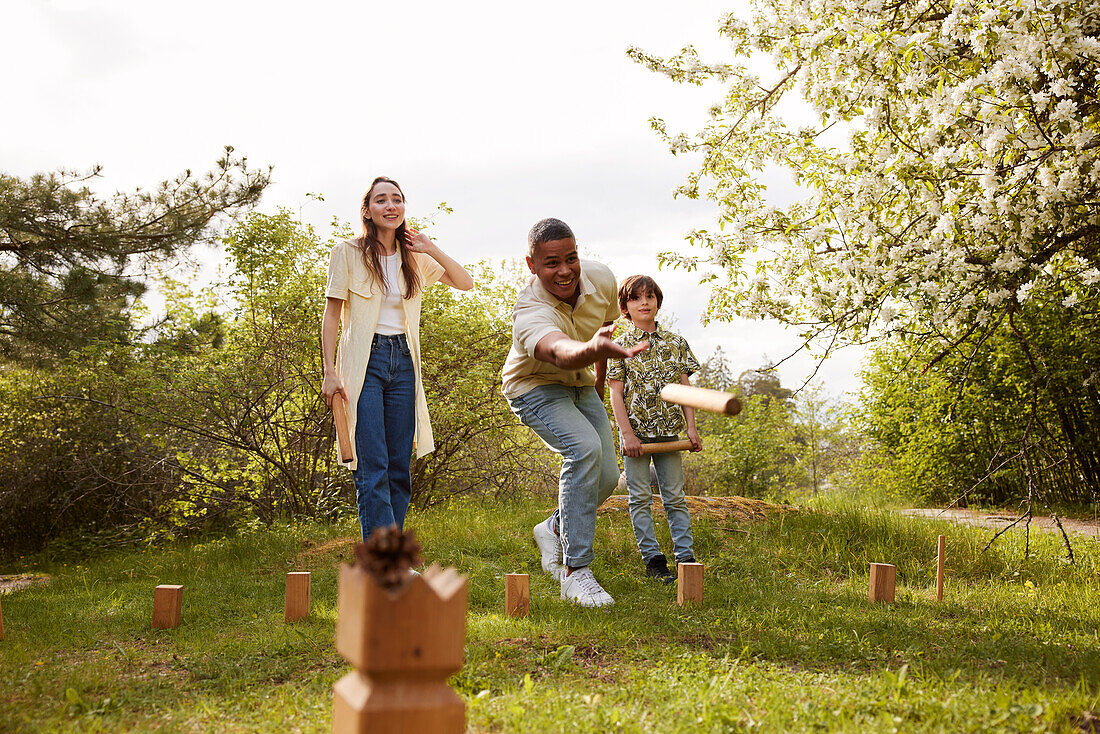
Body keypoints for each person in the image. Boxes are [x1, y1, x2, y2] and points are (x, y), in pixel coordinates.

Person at [502, 218, 647, 607]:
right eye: (551, 263)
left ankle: (552, 527)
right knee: (583, 450)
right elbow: (559, 351)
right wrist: (592, 352)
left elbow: (603, 331)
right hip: (533, 386)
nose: (564, 270)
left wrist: (597, 390)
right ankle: (575, 572)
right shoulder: (529, 310)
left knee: (606, 476)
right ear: (532, 265)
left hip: (581, 386)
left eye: (571, 258)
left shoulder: (600, 278)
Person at [321, 176, 474, 541]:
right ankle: (385, 562)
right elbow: (331, 314)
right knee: (371, 464)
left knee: (397, 468)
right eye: (381, 200)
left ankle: (391, 558)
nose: (390, 206)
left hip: (404, 362)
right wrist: (330, 371)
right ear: (367, 211)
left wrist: (430, 246)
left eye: (397, 199)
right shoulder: (348, 252)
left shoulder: (415, 258)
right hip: (365, 362)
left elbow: (465, 282)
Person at [607, 274, 701, 584]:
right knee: (640, 498)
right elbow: (616, 394)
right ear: (626, 306)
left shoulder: (676, 343)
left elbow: (685, 389)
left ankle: (685, 557)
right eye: (636, 298)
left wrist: (692, 429)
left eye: (650, 296)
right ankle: (654, 560)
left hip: (669, 433)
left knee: (674, 496)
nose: (644, 302)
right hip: (635, 435)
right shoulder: (618, 346)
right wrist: (628, 435)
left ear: (658, 301)